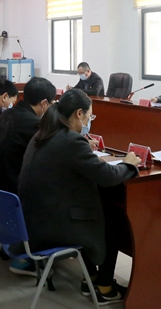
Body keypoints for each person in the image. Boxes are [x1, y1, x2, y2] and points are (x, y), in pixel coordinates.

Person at [18, 89, 140, 304]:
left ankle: (90, 277)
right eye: (90, 116)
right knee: (113, 217)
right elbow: (107, 177)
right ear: (79, 114)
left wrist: (86, 153)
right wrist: (128, 164)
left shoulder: (43, 134)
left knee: (94, 208)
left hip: (33, 219)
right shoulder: (71, 141)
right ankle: (104, 287)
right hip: (50, 228)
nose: (90, 121)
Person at [0, 77, 56, 193]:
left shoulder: (6, 113)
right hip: (14, 188)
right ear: (44, 103)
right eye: (51, 104)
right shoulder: (35, 124)